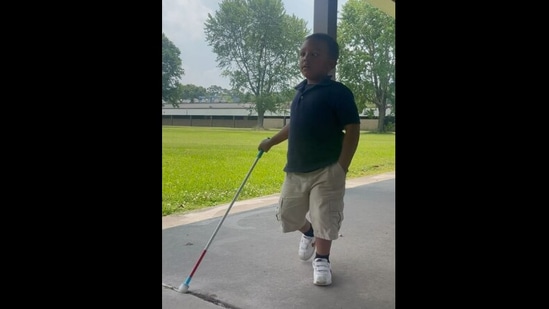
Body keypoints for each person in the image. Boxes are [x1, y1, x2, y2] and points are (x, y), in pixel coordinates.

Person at [257, 33, 361, 286]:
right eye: (303, 53)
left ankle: (322, 259)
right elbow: (294, 125)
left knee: (325, 216)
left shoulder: (338, 92)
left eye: (314, 54)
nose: (306, 58)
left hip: (328, 169)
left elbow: (353, 128)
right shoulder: (300, 92)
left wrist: (341, 167)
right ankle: (308, 232)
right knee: (287, 215)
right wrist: (271, 142)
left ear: (330, 64)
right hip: (296, 169)